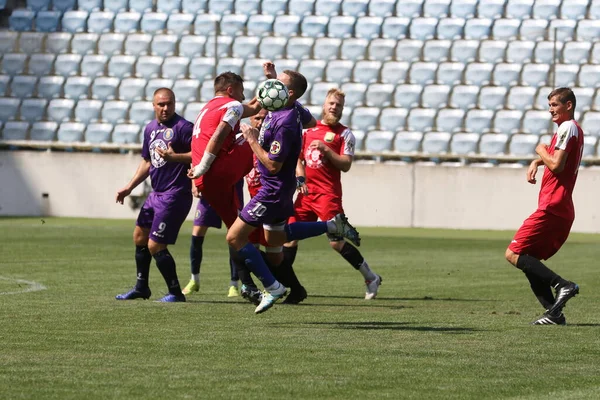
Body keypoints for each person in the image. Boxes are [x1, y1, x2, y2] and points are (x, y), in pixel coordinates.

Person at [226, 67, 361, 314]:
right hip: (280, 189)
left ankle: (271, 286)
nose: (272, 87)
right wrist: (274, 81)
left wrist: (252, 138)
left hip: (272, 190)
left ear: (288, 94)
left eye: (279, 85)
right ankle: (331, 226)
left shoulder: (286, 122)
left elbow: (273, 165)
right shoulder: (290, 109)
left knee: (234, 238)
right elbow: (310, 121)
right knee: (276, 251)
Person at [284, 88, 382, 303]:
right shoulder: (308, 130)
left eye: (338, 105)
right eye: (331, 103)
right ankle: (285, 286)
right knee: (288, 236)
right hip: (306, 195)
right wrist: (300, 180)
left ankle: (371, 277)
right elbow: (298, 160)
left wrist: (327, 151)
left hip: (328, 195)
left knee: (336, 242)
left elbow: (346, 165)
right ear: (324, 105)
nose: (334, 107)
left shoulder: (345, 134)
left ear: (342, 109)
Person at [505, 87, 583, 325]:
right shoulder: (572, 131)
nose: (551, 110)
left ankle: (563, 285)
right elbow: (558, 158)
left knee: (514, 253)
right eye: (549, 105)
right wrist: (538, 160)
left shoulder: (567, 127)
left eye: (555, 105)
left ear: (568, 105)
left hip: (553, 205)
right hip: (560, 207)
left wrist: (539, 150)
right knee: (529, 259)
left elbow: (557, 165)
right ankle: (554, 313)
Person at [187, 71, 264, 304]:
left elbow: (251, 107)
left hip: (206, 180)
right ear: (231, 90)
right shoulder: (231, 105)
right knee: (259, 134)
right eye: (240, 91)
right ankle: (271, 282)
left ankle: (247, 285)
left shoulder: (207, 108)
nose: (243, 96)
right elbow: (220, 133)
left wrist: (270, 80)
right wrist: (204, 165)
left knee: (235, 234)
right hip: (216, 172)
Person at [115, 88, 193, 303]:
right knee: (139, 237)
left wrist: (175, 157)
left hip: (175, 195)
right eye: (161, 104)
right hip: (156, 194)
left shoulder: (184, 128)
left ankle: (176, 293)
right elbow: (148, 162)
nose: (165, 108)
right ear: (154, 105)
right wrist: (129, 187)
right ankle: (142, 287)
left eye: (169, 104)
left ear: (175, 103)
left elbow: (200, 154)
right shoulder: (150, 128)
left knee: (155, 245)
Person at [181, 181, 244, 298]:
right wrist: (194, 183)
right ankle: (194, 280)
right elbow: (194, 162)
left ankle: (234, 284)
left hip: (232, 190)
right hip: (209, 192)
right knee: (197, 234)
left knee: (233, 236)